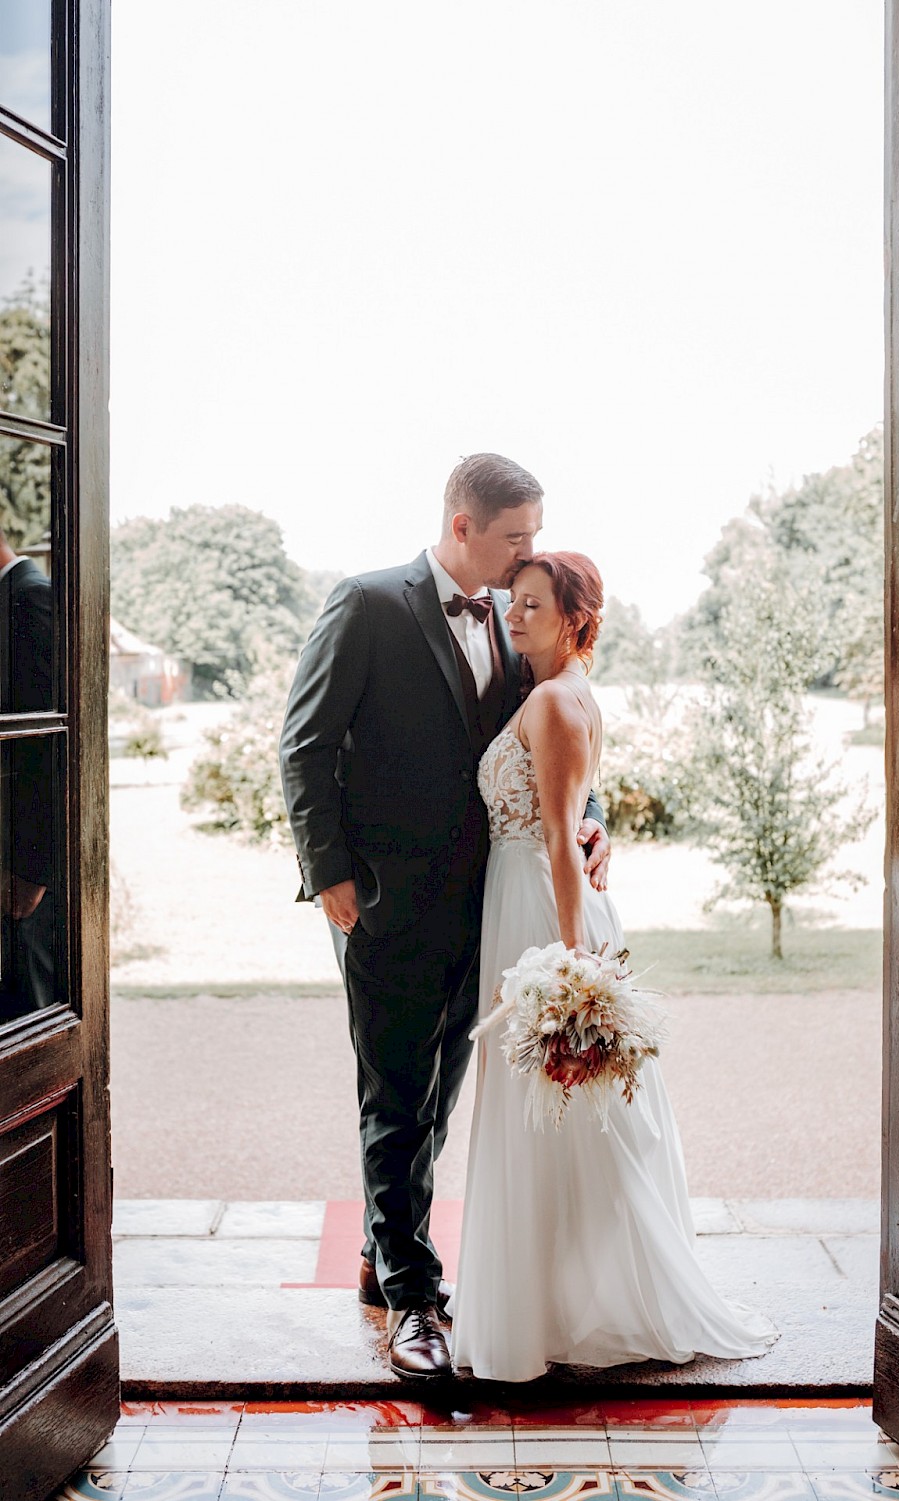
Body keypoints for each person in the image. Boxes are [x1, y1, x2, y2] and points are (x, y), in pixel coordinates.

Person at [278, 455, 610, 1380]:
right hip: (383, 898)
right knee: (394, 1092)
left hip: (486, 906)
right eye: (515, 537)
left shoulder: (515, 625)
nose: (526, 556)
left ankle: (385, 1261)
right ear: (463, 526)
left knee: (439, 1095)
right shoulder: (369, 604)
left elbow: (554, 744)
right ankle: (414, 1299)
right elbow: (303, 745)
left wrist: (591, 825)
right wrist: (330, 874)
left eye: (534, 538)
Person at [451, 550, 777, 1381]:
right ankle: (556, 1302)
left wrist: (569, 967)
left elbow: (561, 835)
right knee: (555, 1112)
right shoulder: (557, 692)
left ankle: (574, 1308)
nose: (513, 613)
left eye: (531, 604)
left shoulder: (557, 701)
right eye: (512, 601)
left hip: (540, 911)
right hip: (521, 900)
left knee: (564, 1107)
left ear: (574, 619)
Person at [0, 525, 56, 1022]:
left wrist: (29, 869)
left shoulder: (31, 601)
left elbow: (49, 751)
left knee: (29, 1015)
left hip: (20, 872)